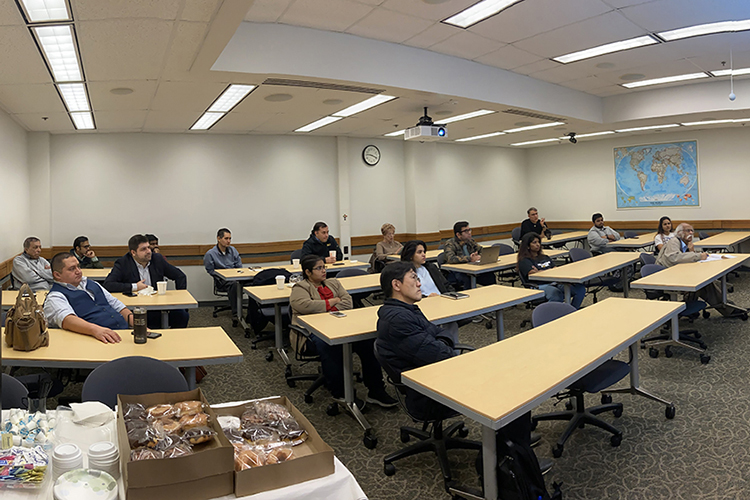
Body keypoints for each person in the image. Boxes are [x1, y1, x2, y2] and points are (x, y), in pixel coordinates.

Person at [375, 262, 543, 469]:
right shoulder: (398, 320)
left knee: (503, 372)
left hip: (437, 376)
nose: (420, 284)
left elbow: (440, 337)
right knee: (506, 384)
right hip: (428, 392)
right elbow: (441, 353)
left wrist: (442, 342)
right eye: (414, 278)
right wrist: (444, 342)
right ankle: (513, 457)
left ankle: (516, 443)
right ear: (396, 285)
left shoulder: (406, 310)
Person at [290, 254, 396, 408]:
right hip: (311, 333)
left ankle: (376, 390)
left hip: (342, 326)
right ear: (308, 272)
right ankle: (340, 393)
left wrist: (322, 306)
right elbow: (304, 306)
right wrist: (332, 302)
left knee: (368, 342)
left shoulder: (333, 282)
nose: (323, 271)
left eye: (324, 267)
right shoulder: (300, 287)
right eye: (318, 268)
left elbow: (348, 302)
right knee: (330, 346)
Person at [656, 223, 745, 318]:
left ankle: (728, 308)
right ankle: (728, 309)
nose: (691, 233)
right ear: (679, 233)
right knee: (704, 284)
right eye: (688, 231)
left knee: (706, 283)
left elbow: (685, 259)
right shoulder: (674, 241)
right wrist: (697, 256)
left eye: (692, 231)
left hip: (678, 273)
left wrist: (691, 251)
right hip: (667, 277)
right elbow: (674, 257)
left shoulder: (685, 243)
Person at [103, 234, 189, 328]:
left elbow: (180, 276)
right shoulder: (123, 263)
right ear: (133, 252)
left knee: (182, 315)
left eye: (148, 247)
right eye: (143, 249)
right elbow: (108, 285)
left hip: (157, 305)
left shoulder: (157, 259)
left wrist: (181, 301)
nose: (148, 251)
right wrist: (135, 287)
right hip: (135, 308)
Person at [44, 252, 129, 343]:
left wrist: (136, 321)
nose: (78, 271)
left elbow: (116, 304)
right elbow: (67, 319)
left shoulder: (91, 283)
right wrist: (96, 330)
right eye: (72, 269)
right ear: (57, 275)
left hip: (123, 332)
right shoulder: (55, 297)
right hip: (97, 340)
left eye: (78, 266)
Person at [401, 240, 461, 346]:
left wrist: (452, 294)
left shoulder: (431, 268)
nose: (423, 255)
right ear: (411, 255)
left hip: (442, 301)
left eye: (424, 251)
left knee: (452, 322)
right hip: (423, 304)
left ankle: (452, 350)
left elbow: (446, 285)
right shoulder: (406, 273)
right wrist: (427, 297)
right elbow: (408, 294)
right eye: (419, 252)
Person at [517, 233, 586, 309]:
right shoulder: (524, 260)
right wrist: (548, 271)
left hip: (554, 282)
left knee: (579, 289)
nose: (538, 244)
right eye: (534, 242)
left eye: (538, 242)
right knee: (556, 293)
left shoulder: (545, 257)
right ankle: (551, 316)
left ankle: (571, 311)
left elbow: (555, 269)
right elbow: (534, 275)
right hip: (538, 285)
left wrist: (541, 271)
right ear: (527, 246)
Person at [204, 228, 246, 323]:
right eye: (226, 238)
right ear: (219, 238)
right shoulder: (210, 254)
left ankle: (253, 314)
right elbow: (210, 270)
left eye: (230, 238)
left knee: (254, 283)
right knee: (234, 285)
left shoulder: (233, 250)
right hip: (222, 281)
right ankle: (236, 314)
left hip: (236, 277)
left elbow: (239, 266)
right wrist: (222, 275)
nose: (228, 241)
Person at [443, 221, 495, 288]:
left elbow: (481, 250)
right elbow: (451, 259)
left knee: (490, 276)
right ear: (458, 234)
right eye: (466, 231)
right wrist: (469, 258)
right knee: (467, 280)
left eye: (469, 230)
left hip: (471, 268)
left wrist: (479, 256)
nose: (469, 233)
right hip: (457, 271)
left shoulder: (470, 241)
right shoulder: (450, 244)